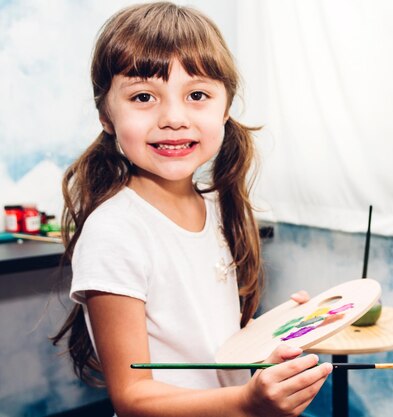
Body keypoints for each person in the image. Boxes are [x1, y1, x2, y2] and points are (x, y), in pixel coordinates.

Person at [51, 2, 332, 416]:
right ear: (106, 117)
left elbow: (207, 346)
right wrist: (247, 402)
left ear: (225, 107)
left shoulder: (219, 206)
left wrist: (273, 334)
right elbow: (132, 397)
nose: (174, 117)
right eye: (144, 96)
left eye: (197, 95)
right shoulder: (114, 232)